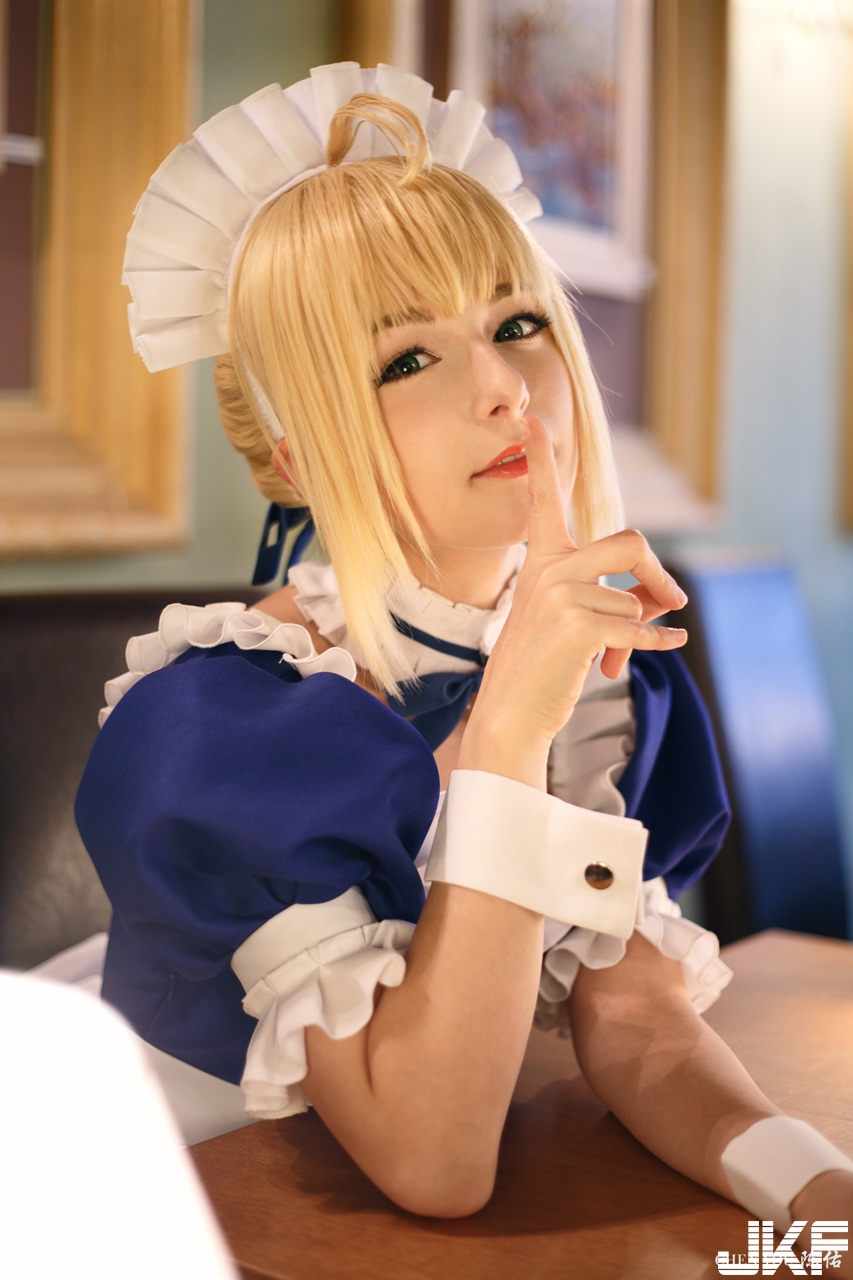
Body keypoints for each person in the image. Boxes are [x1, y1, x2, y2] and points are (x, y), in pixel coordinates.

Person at [76, 63, 853, 1235]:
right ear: (296, 459)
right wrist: (505, 732)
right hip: (174, 1206)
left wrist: (812, 1194)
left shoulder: (599, 673)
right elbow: (432, 1158)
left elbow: (636, 1020)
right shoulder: (224, 728)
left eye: (515, 323)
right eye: (405, 359)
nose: (504, 389)